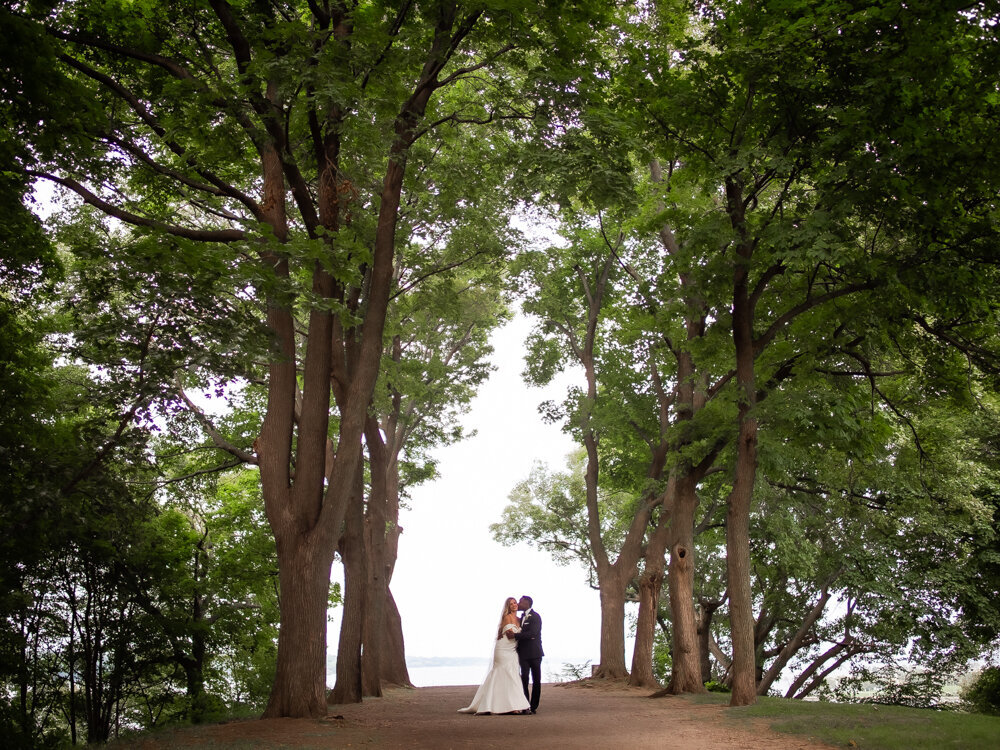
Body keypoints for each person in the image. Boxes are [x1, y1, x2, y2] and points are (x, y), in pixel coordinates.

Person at [458, 597, 532, 715]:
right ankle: (496, 704)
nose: (514, 605)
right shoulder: (507, 617)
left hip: (512, 650)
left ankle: (513, 705)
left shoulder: (519, 619)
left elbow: (517, 635)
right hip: (503, 649)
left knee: (513, 675)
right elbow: (508, 635)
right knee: (503, 673)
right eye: (511, 603)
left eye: (515, 603)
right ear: (508, 606)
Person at [506, 594, 543, 714]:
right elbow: (527, 635)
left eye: (520, 602)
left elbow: (533, 633)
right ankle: (525, 705)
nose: (518, 604)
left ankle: (534, 706)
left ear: (527, 603)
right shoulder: (520, 618)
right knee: (524, 678)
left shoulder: (535, 617)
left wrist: (516, 636)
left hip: (535, 653)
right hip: (523, 653)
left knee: (536, 680)